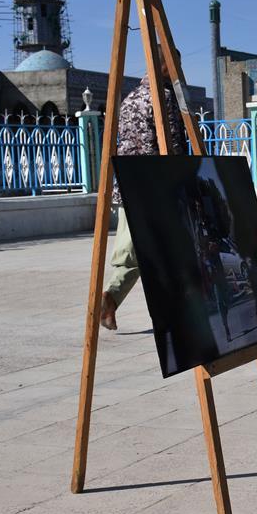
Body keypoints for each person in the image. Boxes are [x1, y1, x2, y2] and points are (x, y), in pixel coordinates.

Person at [100, 46, 185, 330]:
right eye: (175, 65)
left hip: (128, 185)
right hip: (156, 187)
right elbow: (172, 143)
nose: (179, 71)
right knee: (167, 249)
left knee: (135, 248)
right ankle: (173, 312)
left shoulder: (130, 98)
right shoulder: (166, 98)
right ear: (164, 67)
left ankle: (110, 299)